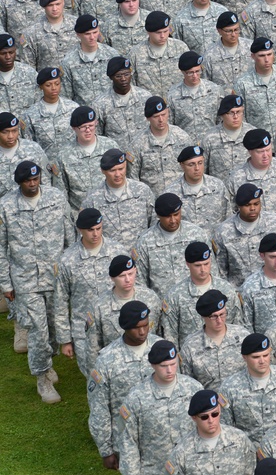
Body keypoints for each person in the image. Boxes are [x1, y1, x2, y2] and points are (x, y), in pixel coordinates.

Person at [0, 160, 72, 401]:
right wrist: (5, 283)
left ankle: (47, 363)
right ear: (19, 182)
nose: (32, 184)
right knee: (37, 330)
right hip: (25, 279)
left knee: (52, 326)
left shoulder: (55, 197)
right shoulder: (6, 206)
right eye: (27, 181)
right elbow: (0, 248)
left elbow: (69, 235)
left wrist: (71, 271)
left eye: (36, 179)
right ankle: (42, 380)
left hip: (54, 275)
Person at [117, 340, 204, 475]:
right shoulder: (136, 398)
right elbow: (128, 444)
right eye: (164, 366)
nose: (170, 370)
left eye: (173, 364)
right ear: (152, 365)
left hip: (193, 474)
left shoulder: (194, 390)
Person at [52, 208, 132, 375]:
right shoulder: (67, 260)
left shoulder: (117, 252)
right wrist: (65, 339)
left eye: (99, 228)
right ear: (80, 230)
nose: (95, 234)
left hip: (116, 325)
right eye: (90, 230)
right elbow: (60, 300)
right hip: (84, 329)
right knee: (94, 377)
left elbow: (131, 286)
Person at [87, 301, 163, 469]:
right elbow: (99, 407)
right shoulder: (107, 360)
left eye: (146, 325)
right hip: (127, 436)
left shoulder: (161, 349)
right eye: (136, 327)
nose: (142, 332)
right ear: (125, 327)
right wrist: (105, 449)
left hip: (162, 433)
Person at [162, 389, 257, 475]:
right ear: (194, 418)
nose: (211, 420)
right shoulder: (181, 452)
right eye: (204, 417)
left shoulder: (239, 440)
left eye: (215, 414)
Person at [218, 332, 276, 445]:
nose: (262, 361)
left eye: (265, 355)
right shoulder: (229, 387)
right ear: (244, 357)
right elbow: (226, 427)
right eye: (256, 357)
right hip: (250, 450)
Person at [160, 241, 244, 345]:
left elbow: (238, 325)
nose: (203, 269)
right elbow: (170, 335)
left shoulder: (227, 290)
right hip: (192, 354)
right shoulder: (175, 295)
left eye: (206, 264)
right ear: (187, 264)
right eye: (197, 265)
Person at [85, 254, 161, 359]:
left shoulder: (151, 298)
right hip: (115, 364)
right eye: (122, 276)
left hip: (149, 360)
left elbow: (160, 333)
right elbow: (93, 347)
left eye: (131, 274)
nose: (128, 279)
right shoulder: (99, 306)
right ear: (112, 278)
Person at [211, 184, 276, 287]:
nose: (252, 208)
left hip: (271, 288)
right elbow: (221, 270)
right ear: (239, 206)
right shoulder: (223, 231)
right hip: (239, 291)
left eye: (256, 204)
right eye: (247, 205)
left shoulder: (275, 224)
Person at [80, 147, 156, 247]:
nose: (117, 174)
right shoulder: (93, 199)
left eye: (121, 169)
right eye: (112, 170)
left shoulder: (142, 191)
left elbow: (154, 224)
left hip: (140, 254)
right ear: (103, 171)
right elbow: (86, 235)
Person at [179, 289, 251, 391]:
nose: (219, 320)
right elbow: (187, 383)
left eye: (222, 314)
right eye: (213, 317)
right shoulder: (190, 346)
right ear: (203, 317)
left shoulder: (243, 336)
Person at [128, 99, 195, 194]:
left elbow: (192, 169)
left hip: (181, 197)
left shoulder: (182, 137)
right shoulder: (137, 144)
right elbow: (133, 179)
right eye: (156, 116)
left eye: (163, 115)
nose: (161, 120)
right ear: (147, 118)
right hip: (154, 199)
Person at [166, 52, 227, 138]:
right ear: (183, 72)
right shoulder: (173, 94)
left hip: (211, 141)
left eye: (198, 71)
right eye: (190, 73)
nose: (195, 76)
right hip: (186, 143)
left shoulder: (214, 90)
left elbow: (222, 120)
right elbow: (170, 125)